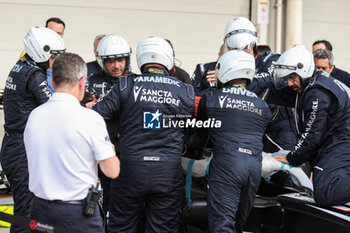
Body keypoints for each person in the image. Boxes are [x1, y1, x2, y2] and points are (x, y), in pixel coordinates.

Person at [92, 36, 195, 233]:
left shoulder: (124, 85)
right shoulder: (186, 91)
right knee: (162, 228)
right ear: (168, 58)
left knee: (121, 227)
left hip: (129, 169)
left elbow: (95, 116)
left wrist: (109, 142)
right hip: (167, 172)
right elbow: (192, 128)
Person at [24, 52, 120, 233]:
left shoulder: (34, 116)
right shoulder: (90, 119)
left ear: (52, 82)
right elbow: (112, 171)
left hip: (39, 209)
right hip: (77, 213)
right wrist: (111, 151)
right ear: (82, 82)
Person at [197, 50, 271, 232]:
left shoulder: (212, 98)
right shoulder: (262, 104)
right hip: (254, 168)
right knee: (238, 225)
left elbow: (194, 119)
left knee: (223, 225)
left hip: (228, 166)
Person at [0, 26, 65, 233]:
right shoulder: (33, 74)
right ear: (42, 51)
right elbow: (54, 106)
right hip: (22, 149)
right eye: (53, 57)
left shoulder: (20, 66)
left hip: (15, 145)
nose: (54, 63)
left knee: (29, 209)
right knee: (26, 211)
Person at [273, 45, 350, 206]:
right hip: (338, 140)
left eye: (292, 77)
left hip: (341, 141)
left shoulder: (317, 93)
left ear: (304, 71)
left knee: (326, 192)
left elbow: (312, 134)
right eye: (287, 78)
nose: (289, 83)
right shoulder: (317, 82)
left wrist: (292, 157)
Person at [44, 17, 66, 92]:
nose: (55, 36)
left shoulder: (65, 59)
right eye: (51, 32)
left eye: (58, 33)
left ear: (62, 35)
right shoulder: (33, 53)